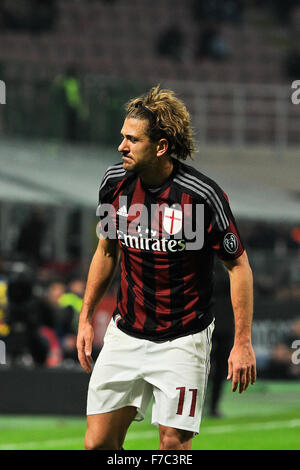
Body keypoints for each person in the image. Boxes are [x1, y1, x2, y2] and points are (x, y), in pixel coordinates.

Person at [76, 85, 256, 450]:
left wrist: (242, 343)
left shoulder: (202, 196)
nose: (121, 146)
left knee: (172, 446)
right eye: (122, 137)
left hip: (183, 339)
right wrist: (85, 316)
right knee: (97, 445)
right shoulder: (114, 184)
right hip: (126, 333)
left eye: (131, 139)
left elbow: (238, 267)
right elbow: (107, 251)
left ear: (160, 147)